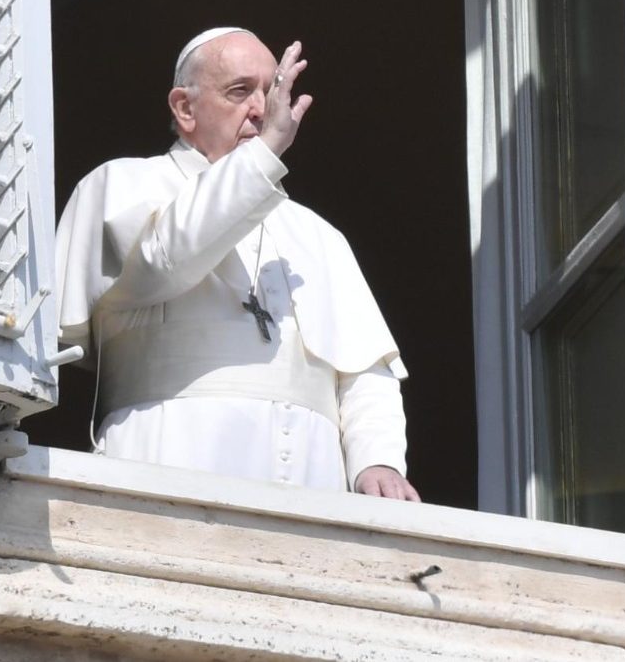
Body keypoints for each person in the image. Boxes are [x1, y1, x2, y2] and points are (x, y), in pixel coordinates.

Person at [55, 28, 419, 501]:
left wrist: (378, 459)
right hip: (167, 468)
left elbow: (366, 371)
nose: (264, 110)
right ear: (185, 108)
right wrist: (266, 154)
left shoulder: (318, 236)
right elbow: (164, 259)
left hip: (315, 486)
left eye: (272, 92)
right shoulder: (124, 183)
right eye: (240, 91)